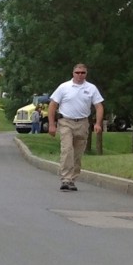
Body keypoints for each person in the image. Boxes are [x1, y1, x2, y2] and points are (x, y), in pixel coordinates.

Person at [47, 63, 105, 191]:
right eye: (77, 72)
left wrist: (98, 123)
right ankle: (66, 179)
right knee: (67, 149)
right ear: (73, 73)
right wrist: (52, 124)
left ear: (86, 74)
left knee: (77, 153)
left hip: (83, 123)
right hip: (66, 122)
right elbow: (52, 105)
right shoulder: (64, 87)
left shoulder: (91, 88)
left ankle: (72, 179)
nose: (80, 75)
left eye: (82, 73)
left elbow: (99, 106)